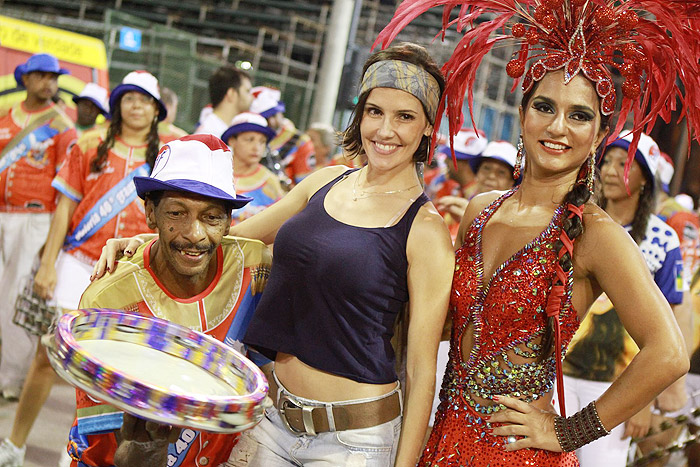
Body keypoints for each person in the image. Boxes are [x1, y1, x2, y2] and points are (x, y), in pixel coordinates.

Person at [91, 42, 455, 467]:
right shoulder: (325, 181)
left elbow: (421, 370)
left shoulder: (426, 230)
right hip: (270, 419)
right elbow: (230, 240)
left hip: (355, 443)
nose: (384, 130)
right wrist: (144, 245)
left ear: (428, 127)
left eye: (404, 116)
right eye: (374, 112)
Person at [375, 0, 695, 465]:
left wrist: (567, 432)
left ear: (600, 132)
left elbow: (669, 353)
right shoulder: (480, 211)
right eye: (544, 106)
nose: (558, 126)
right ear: (523, 113)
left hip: (519, 454)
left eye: (579, 115)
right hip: (443, 439)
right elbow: (449, 326)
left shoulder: (595, 234)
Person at [67, 134, 272, 466]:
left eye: (211, 217)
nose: (194, 233)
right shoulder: (107, 300)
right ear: (150, 213)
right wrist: (150, 443)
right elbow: (117, 449)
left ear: (229, 222)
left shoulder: (255, 269)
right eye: (177, 213)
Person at [0, 70, 168, 466]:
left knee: (107, 370)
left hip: (133, 270)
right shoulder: (88, 144)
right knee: (50, 354)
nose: (137, 106)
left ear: (157, 109)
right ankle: (14, 444)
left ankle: (76, 451)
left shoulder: (167, 153)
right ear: (117, 105)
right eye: (129, 98)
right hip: (79, 263)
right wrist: (48, 265)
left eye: (145, 100)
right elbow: (64, 209)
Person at [562, 132, 689, 466]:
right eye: (607, 161)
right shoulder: (575, 224)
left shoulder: (663, 239)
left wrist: (643, 400)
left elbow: (671, 323)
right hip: (557, 374)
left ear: (646, 180)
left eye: (626, 164)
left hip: (613, 387)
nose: (610, 170)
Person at [0, 53, 75, 403]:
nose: (49, 83)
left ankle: (10, 379)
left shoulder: (62, 126)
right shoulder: (6, 116)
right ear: (26, 79)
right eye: (42, 76)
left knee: (16, 298)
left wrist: (52, 244)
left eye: (54, 77)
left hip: (35, 218)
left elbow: (66, 187)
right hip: (3, 211)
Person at [435, 139, 518, 239]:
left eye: (501, 172)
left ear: (511, 182)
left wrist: (474, 222)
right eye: (486, 168)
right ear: (477, 173)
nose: (491, 176)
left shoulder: (514, 217)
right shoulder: (464, 202)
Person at [221, 112, 286, 225]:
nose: (257, 148)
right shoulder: (215, 174)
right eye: (249, 140)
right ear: (232, 140)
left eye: (262, 142)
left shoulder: (270, 181)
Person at [251, 88, 315, 185]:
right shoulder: (249, 140)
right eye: (265, 118)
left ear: (281, 112)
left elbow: (306, 185)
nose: (271, 122)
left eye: (273, 115)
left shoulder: (301, 142)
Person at [194, 65, 252, 138]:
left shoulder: (220, 129)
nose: (252, 97)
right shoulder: (210, 134)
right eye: (247, 91)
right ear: (231, 94)